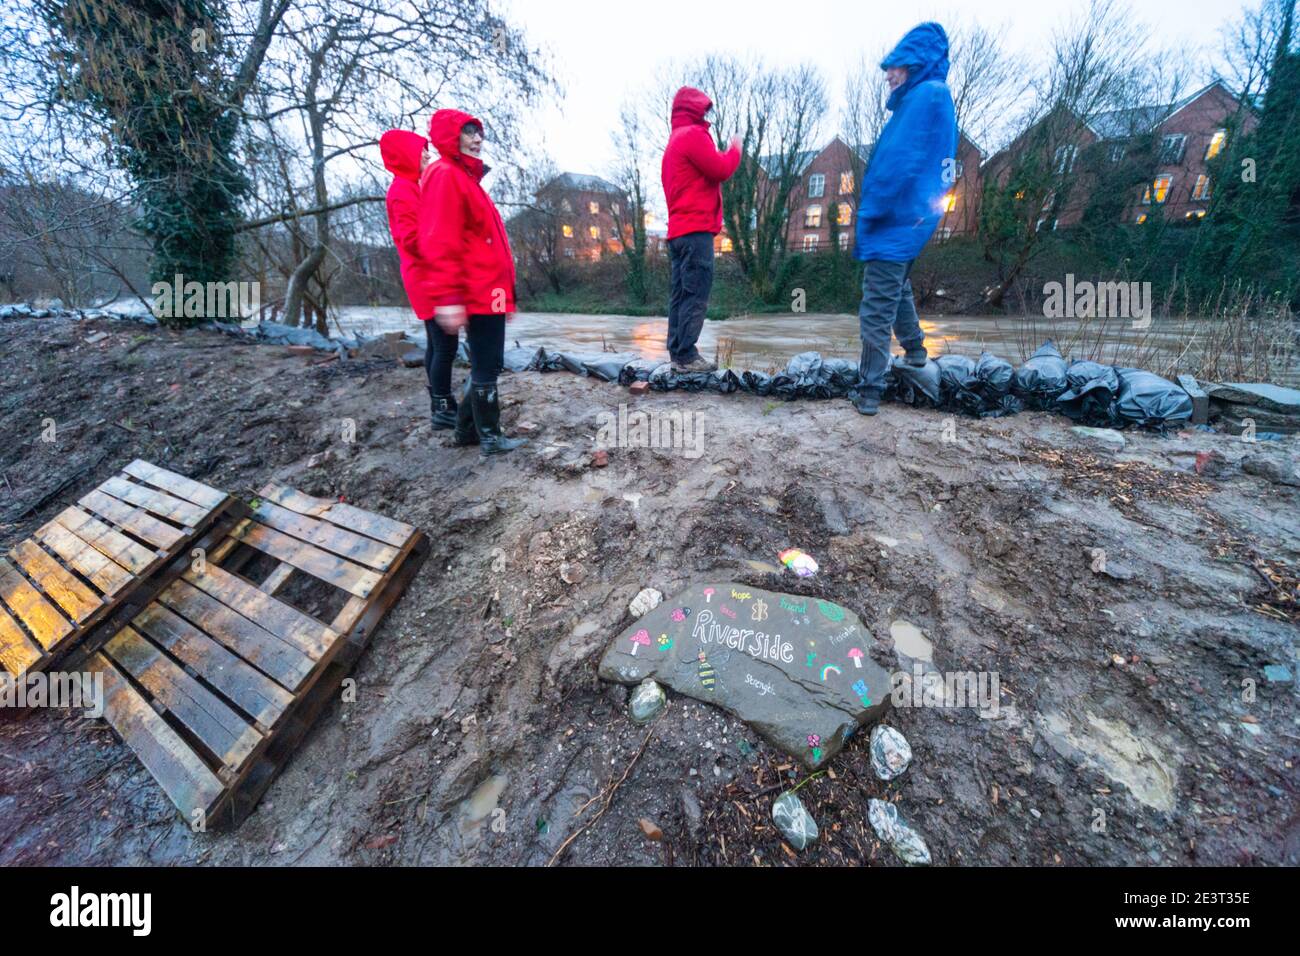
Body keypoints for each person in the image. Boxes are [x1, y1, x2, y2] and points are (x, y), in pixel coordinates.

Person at [852, 22, 957, 415]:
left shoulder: (925, 97)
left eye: (893, 67)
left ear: (914, 63)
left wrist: (872, 211)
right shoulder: (931, 96)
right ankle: (915, 352)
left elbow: (898, 163)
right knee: (898, 290)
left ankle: (868, 391)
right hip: (909, 221)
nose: (887, 75)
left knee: (876, 305)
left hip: (896, 220)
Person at [417, 108, 525, 455]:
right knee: (486, 364)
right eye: (468, 132)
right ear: (451, 137)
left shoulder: (466, 179)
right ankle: (490, 437)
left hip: (490, 290)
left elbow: (485, 242)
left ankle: (466, 431)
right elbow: (439, 240)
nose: (478, 139)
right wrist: (447, 297)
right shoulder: (445, 175)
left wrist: (505, 299)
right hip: (477, 290)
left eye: (479, 133)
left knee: (488, 360)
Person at [660, 87, 741, 373]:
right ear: (695, 109)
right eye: (704, 109)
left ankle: (677, 352)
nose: (707, 114)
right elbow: (720, 169)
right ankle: (686, 356)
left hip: (678, 232)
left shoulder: (673, 142)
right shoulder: (692, 136)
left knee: (680, 293)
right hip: (695, 232)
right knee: (696, 293)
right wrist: (735, 149)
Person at [379, 129, 449, 428]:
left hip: (426, 273)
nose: (428, 154)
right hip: (426, 276)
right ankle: (442, 408)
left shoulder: (411, 186)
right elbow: (410, 239)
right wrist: (444, 242)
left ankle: (440, 405)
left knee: (437, 342)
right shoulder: (403, 191)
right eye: (422, 150)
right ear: (406, 154)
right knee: (445, 344)